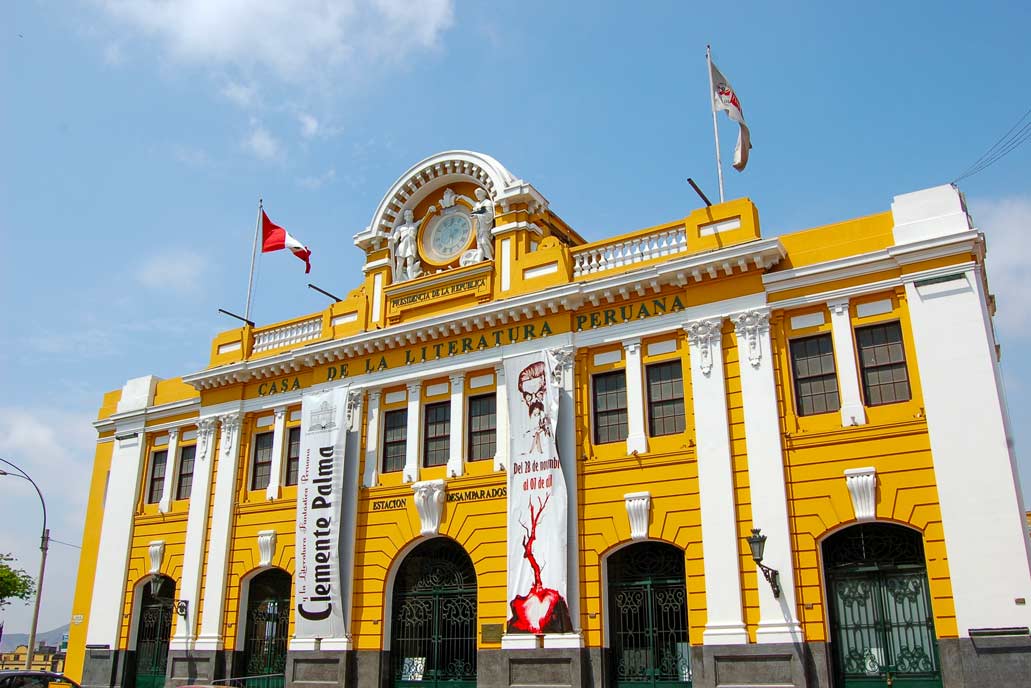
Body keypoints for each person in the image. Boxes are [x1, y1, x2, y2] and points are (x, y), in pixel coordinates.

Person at [391, 209, 422, 281]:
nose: (408, 216)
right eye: (406, 215)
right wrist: (392, 240)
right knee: (399, 264)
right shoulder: (400, 228)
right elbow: (395, 237)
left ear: (412, 216)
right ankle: (397, 280)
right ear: (404, 217)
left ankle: (411, 278)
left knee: (409, 263)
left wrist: (429, 211)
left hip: (411, 245)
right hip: (403, 245)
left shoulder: (414, 225)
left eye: (409, 215)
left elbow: (423, 220)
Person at [471, 188, 495, 261]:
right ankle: (479, 261)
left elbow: (489, 214)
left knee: (484, 242)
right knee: (480, 243)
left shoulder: (487, 202)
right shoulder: (479, 204)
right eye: (476, 194)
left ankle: (490, 257)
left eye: (478, 194)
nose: (477, 196)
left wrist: (477, 215)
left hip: (485, 226)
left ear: (483, 194)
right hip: (479, 227)